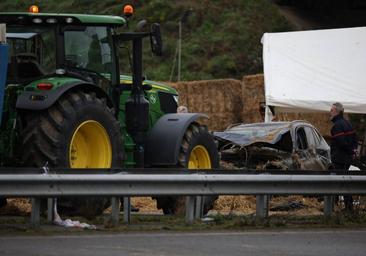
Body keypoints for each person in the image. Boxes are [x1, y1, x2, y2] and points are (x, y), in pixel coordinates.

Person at [329, 102, 358, 211]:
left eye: (331, 110)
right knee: (343, 182)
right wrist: (354, 151)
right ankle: (347, 206)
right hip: (347, 159)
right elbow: (355, 139)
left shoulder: (337, 126)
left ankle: (345, 207)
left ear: (337, 111)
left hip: (339, 159)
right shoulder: (348, 123)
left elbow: (342, 143)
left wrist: (350, 151)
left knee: (340, 183)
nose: (329, 112)